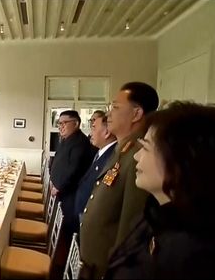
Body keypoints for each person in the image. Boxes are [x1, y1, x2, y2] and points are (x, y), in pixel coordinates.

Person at [105, 101, 215, 279]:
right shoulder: (154, 214)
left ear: (181, 162)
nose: (136, 156)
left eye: (146, 148)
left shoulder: (199, 256)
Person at [79, 82, 159, 279]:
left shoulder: (137, 156)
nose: (108, 115)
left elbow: (130, 226)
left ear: (136, 114)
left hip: (107, 268)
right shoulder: (122, 149)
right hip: (94, 263)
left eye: (115, 107)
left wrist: (116, 269)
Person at [49, 110, 95, 269]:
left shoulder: (80, 142)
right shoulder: (68, 139)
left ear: (75, 124)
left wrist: (58, 186)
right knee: (63, 231)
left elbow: (74, 170)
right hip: (61, 191)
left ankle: (62, 265)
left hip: (70, 195)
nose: (60, 127)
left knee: (68, 230)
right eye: (59, 123)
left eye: (64, 123)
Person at [74, 114, 117, 228]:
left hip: (93, 214)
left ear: (106, 132)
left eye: (93, 128)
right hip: (86, 208)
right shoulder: (100, 152)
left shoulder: (113, 157)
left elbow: (105, 187)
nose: (90, 133)